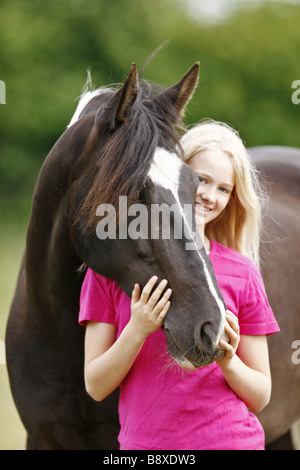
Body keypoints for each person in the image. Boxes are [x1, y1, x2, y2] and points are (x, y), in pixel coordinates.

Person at [79, 120, 280, 450]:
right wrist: (137, 329)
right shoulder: (110, 269)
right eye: (201, 180)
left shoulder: (242, 272)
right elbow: (96, 384)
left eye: (224, 189)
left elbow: (260, 396)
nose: (209, 196)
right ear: (175, 173)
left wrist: (228, 359)